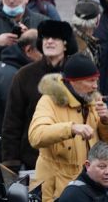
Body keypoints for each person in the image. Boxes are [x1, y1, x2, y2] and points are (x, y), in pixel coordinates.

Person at [2, 20, 78, 172]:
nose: (49, 41)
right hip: (33, 161)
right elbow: (12, 123)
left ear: (66, 44)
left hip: (73, 159)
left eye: (55, 38)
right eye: (45, 37)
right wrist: (10, 164)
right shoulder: (24, 75)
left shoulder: (78, 73)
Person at [29, 54, 108, 200]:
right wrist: (71, 128)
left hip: (89, 190)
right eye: (91, 80)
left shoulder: (92, 99)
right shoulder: (49, 101)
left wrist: (104, 122)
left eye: (96, 80)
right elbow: (35, 136)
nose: (96, 86)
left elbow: (103, 147)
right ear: (73, 82)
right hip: (56, 192)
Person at [0, 29, 41, 137]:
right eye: (42, 51)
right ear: (29, 50)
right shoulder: (12, 75)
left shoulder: (11, 66)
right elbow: (17, 117)